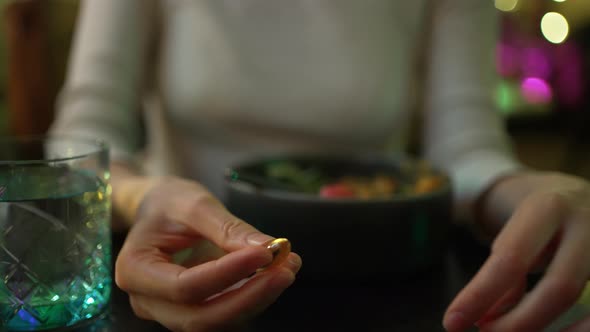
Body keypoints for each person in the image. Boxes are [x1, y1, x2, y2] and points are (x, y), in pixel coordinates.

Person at [50, 0, 590, 331]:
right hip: (183, 276)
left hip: (381, 288)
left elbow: (467, 148)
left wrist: (532, 191)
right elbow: (80, 140)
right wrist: (142, 197)